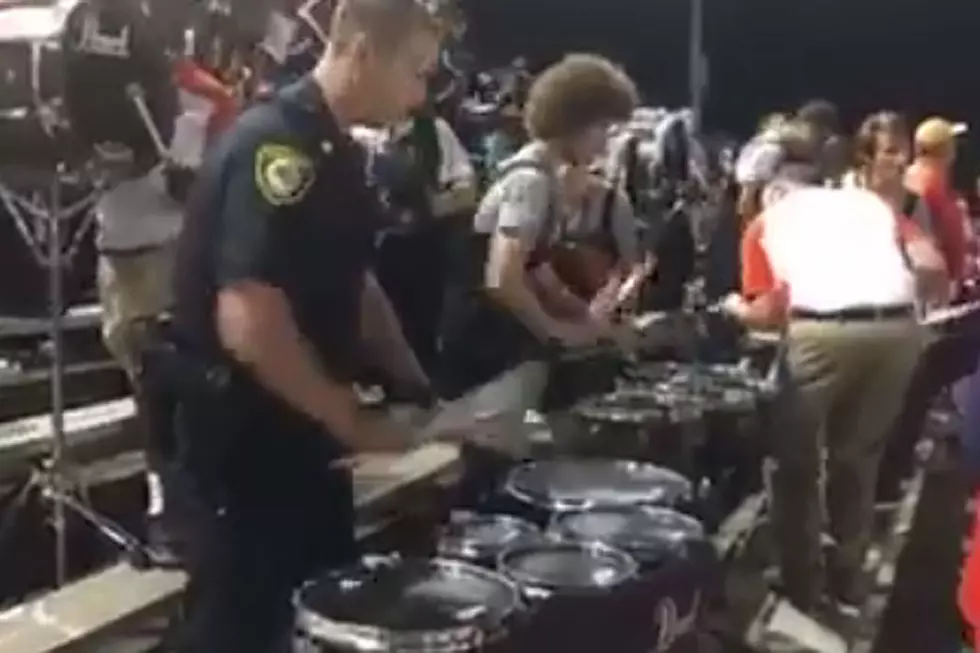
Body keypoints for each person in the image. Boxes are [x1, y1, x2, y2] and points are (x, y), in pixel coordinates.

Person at [166, 0, 443, 650]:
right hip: (243, 450)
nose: (420, 94)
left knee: (314, 613)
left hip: (302, 442)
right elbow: (249, 316)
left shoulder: (333, 150)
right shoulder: (276, 145)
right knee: (242, 625)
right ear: (363, 51)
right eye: (417, 71)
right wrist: (350, 418)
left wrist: (413, 379)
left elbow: (358, 282)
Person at [725, 120, 945, 618]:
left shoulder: (767, 221)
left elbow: (766, 313)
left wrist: (733, 307)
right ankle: (849, 577)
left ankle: (802, 584)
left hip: (822, 334)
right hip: (897, 333)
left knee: (795, 464)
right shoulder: (868, 205)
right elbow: (930, 265)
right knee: (857, 458)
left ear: (766, 188)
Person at [439, 53, 638, 458]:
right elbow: (503, 278)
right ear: (575, 122)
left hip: (502, 349)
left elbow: (539, 271)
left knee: (519, 446)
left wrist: (587, 320)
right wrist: (555, 331)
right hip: (486, 352)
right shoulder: (530, 182)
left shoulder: (544, 177)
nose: (606, 142)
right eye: (603, 127)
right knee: (491, 458)